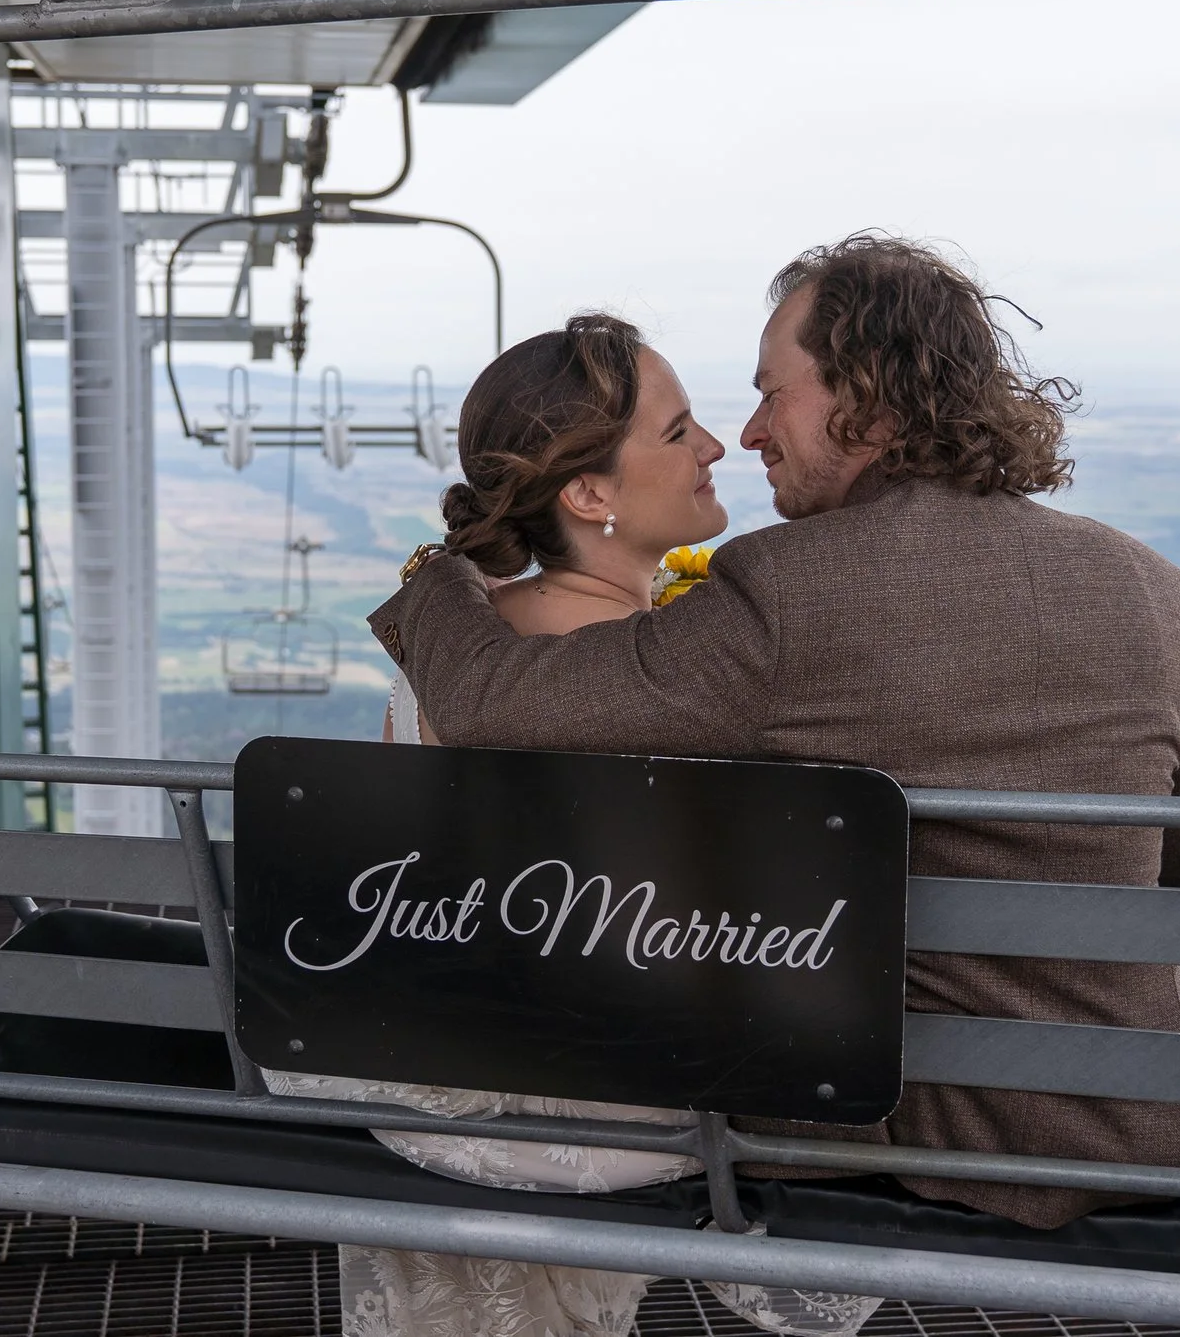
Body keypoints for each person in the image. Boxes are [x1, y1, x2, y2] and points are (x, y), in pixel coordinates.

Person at [374, 234, 1180, 1238]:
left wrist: (438, 580)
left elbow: (497, 698)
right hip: (1176, 1107)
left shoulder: (794, 591)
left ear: (876, 398)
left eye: (773, 392)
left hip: (958, 1117)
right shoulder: (1151, 585)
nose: (750, 431)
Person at [274, 314, 876, 1337]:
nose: (716, 445)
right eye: (679, 429)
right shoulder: (659, 673)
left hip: (413, 1089)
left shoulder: (445, 652)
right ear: (589, 495)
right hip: (608, 1109)